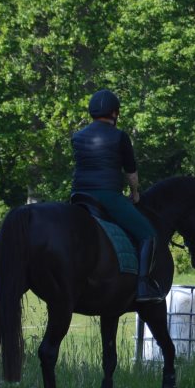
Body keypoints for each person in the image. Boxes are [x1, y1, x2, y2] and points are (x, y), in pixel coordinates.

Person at [70, 89, 162, 302]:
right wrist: (135, 193)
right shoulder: (120, 137)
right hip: (107, 196)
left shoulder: (77, 137)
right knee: (148, 234)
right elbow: (131, 173)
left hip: (79, 196)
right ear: (114, 113)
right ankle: (143, 286)